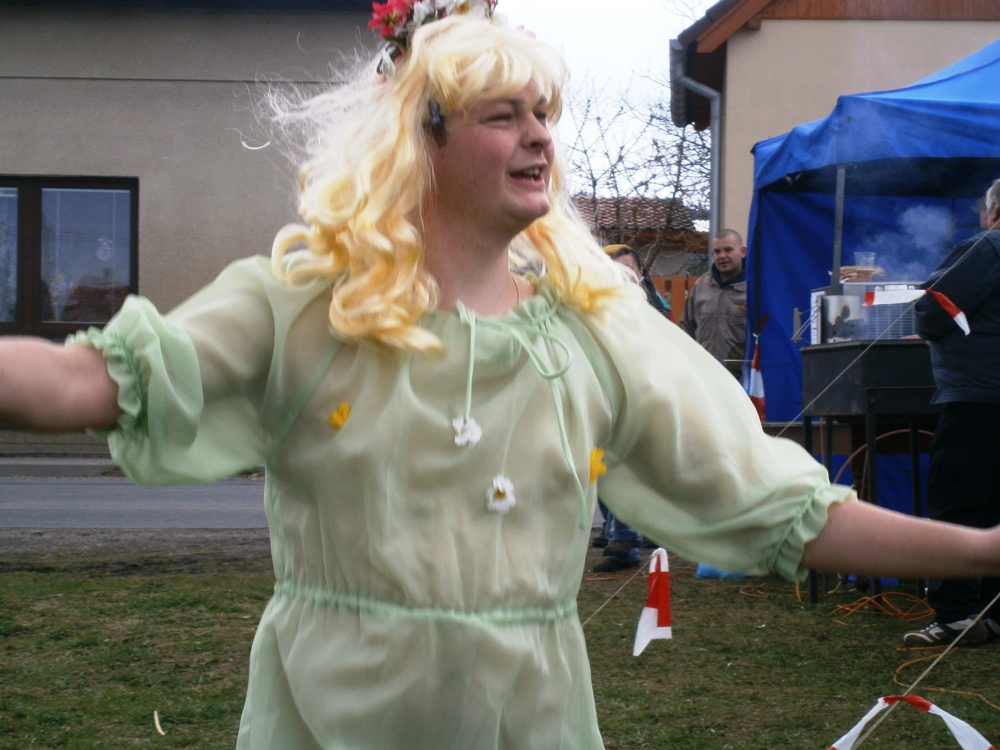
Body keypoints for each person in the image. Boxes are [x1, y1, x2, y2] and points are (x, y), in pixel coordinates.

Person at [4, 7, 1000, 749]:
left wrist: (981, 549)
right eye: (502, 115)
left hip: (530, 720)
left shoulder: (593, 329)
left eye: (543, 114)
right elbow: (84, 384)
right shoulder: (302, 307)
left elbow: (780, 507)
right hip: (330, 718)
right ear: (422, 142)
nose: (539, 137)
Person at [904, 179, 1000, 647]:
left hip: (977, 397)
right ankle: (993, 610)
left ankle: (956, 613)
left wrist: (925, 326)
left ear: (993, 211)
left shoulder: (987, 247)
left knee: (956, 503)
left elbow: (934, 310)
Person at [591, 245, 669, 572]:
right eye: (615, 271)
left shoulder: (652, 310)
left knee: (628, 465)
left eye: (628, 270)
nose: (622, 277)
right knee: (600, 465)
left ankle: (624, 539)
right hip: (604, 395)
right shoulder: (596, 306)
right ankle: (620, 531)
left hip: (640, 397)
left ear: (640, 273)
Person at [679, 228, 748, 379]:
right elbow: (686, 330)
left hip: (739, 379)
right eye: (717, 251)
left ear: (743, 252)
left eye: (728, 250)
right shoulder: (701, 286)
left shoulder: (754, 290)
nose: (722, 256)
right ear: (712, 255)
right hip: (703, 376)